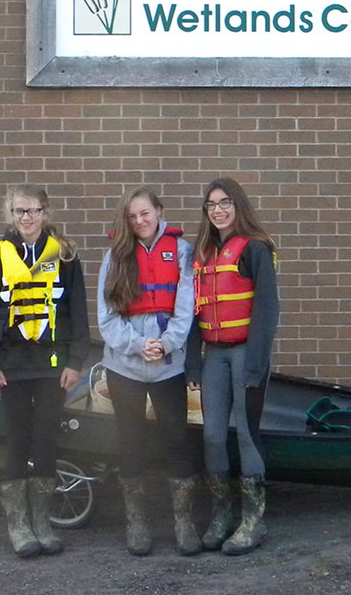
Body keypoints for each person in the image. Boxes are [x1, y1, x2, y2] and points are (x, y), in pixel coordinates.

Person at [0, 184, 88, 558]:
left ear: (46, 212)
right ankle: (19, 526)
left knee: (45, 442)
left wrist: (75, 362)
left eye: (34, 210)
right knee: (17, 441)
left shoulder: (66, 256)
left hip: (53, 366)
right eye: (20, 211)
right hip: (12, 365)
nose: (27, 218)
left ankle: (42, 521)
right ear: (11, 214)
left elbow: (78, 313)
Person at [97, 186, 201, 556]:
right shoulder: (114, 257)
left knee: (176, 441)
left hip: (167, 366)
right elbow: (106, 319)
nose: (139, 221)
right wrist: (138, 345)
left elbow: (186, 309)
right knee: (131, 443)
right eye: (132, 216)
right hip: (124, 366)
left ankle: (183, 522)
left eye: (145, 212)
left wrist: (166, 343)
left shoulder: (183, 253)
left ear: (158, 211)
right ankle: (137, 522)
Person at [186, 177, 279, 556]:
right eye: (211, 205)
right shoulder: (202, 253)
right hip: (213, 355)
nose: (219, 210)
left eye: (225, 203)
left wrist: (255, 368)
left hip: (244, 354)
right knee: (212, 436)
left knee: (245, 434)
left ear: (238, 205)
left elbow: (267, 311)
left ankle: (253, 522)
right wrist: (193, 365)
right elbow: (192, 313)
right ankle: (222, 515)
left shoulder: (256, 248)